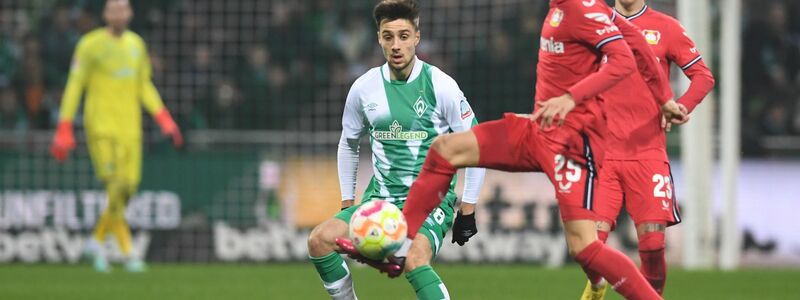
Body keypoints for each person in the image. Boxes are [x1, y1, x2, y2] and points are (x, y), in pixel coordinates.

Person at [348, 0, 689, 298]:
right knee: (446, 149)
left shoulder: (582, 8)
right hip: (538, 130)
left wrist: (572, 97)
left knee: (585, 248)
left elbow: (624, 61)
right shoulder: (571, 8)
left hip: (572, 142)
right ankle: (401, 244)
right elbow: (640, 46)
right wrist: (666, 98)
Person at [306, 1, 486, 299]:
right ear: (379, 38)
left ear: (417, 37)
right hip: (381, 202)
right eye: (388, 36)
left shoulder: (441, 85)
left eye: (403, 36)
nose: (396, 45)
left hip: (430, 203)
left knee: (415, 259)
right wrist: (347, 200)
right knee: (319, 240)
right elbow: (348, 144)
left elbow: (476, 145)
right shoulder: (364, 88)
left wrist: (468, 209)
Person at [581, 1, 716, 298]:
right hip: (603, 156)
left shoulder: (666, 27)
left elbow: (703, 77)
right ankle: (598, 284)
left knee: (653, 247)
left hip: (648, 154)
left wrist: (682, 106)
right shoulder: (593, 25)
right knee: (590, 245)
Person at [50, 0, 183, 273]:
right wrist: (64, 126)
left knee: (128, 189)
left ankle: (96, 241)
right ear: (105, 14)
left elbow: (143, 86)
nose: (119, 13)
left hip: (130, 130)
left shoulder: (136, 45)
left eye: (124, 8)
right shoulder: (90, 45)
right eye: (114, 9)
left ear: (131, 13)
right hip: (101, 129)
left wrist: (164, 119)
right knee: (115, 186)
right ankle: (128, 252)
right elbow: (75, 84)